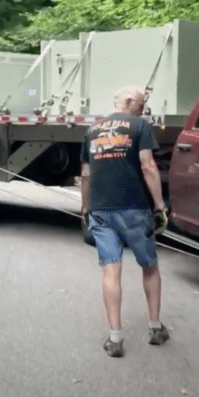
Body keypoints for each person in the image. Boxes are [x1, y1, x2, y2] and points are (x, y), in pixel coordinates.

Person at [79, 85, 169, 358]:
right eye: (141, 105)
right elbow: (148, 165)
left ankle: (115, 338)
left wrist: (85, 206)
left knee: (110, 270)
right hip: (133, 209)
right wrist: (160, 205)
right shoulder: (139, 126)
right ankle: (155, 328)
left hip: (101, 210)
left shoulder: (92, 130)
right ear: (129, 101)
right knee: (149, 266)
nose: (143, 110)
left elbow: (84, 174)